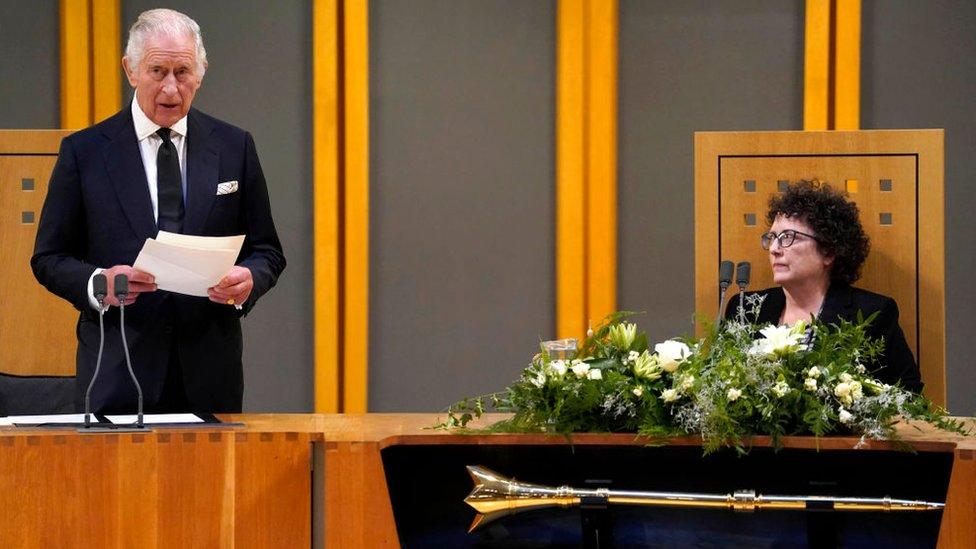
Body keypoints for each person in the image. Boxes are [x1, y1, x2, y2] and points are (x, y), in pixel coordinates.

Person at [31, 9, 285, 413]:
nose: (171, 89)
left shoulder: (234, 147)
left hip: (209, 374)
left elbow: (268, 250)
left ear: (201, 74)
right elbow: (48, 258)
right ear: (130, 70)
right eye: (157, 71)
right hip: (118, 370)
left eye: (183, 72)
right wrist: (100, 281)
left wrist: (248, 279)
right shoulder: (85, 152)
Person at [725, 181, 922, 393]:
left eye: (788, 237)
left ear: (828, 251)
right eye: (772, 237)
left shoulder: (871, 314)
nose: (774, 249)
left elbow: (908, 393)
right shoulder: (743, 309)